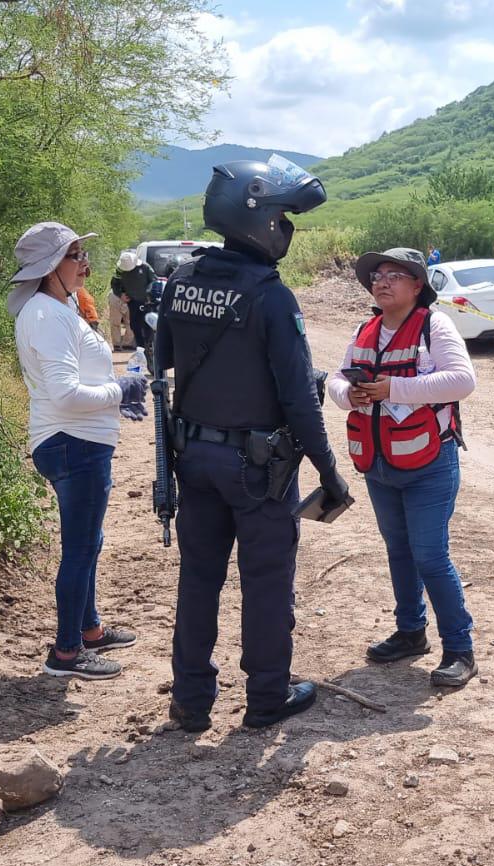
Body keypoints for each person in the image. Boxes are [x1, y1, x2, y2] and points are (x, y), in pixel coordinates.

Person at [153, 157, 349, 732]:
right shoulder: (270, 296)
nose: (288, 227)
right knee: (265, 584)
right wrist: (330, 472)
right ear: (257, 216)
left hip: (193, 460)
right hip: (257, 469)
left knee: (199, 579)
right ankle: (267, 696)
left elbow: (164, 362)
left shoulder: (180, 283)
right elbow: (298, 400)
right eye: (285, 215)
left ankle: (190, 701)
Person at [328, 248, 478, 687]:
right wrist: (347, 395)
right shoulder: (365, 329)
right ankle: (411, 632)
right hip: (379, 462)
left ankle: (460, 648)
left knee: (430, 555)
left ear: (418, 286)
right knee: (399, 551)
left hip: (430, 461)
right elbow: (339, 378)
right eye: (377, 275)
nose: (383, 281)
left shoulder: (435, 325)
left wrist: (395, 387)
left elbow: (462, 381)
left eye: (396, 274)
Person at [8, 222, 145, 680]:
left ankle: (88, 629)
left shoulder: (56, 307)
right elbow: (65, 395)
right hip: (72, 442)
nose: (85, 264)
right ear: (51, 267)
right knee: (80, 549)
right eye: (76, 256)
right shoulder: (46, 316)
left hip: (78, 441)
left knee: (89, 543)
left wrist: (113, 395)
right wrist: (120, 390)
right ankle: (66, 653)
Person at [113, 250, 155, 351]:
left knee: (148, 324)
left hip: (147, 302)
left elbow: (153, 281)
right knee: (134, 325)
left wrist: (150, 294)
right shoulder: (119, 270)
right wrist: (120, 294)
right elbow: (115, 284)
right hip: (132, 302)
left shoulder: (145, 267)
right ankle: (141, 346)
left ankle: (149, 345)